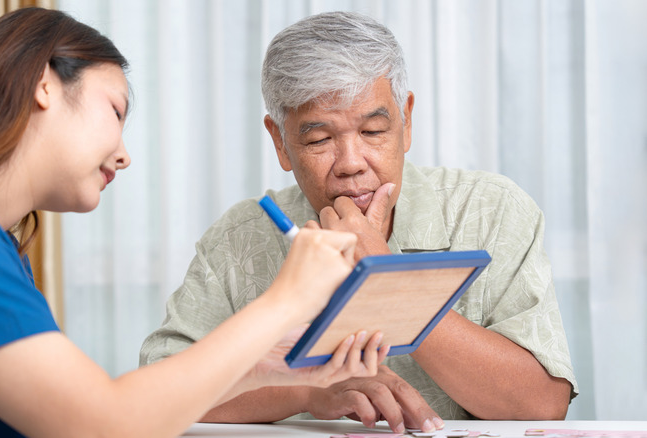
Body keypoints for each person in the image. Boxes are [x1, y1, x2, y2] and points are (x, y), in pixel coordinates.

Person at [0, 8, 388, 437]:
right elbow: (98, 422)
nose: (124, 154)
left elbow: (96, 406)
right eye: (116, 111)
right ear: (42, 85)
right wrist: (286, 300)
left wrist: (263, 366)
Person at [140, 10, 578, 432]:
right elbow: (155, 393)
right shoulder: (239, 238)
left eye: (372, 132)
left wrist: (389, 282)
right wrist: (306, 389)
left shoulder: (492, 209)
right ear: (280, 142)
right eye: (319, 138)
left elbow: (541, 403)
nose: (351, 164)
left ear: (406, 121)